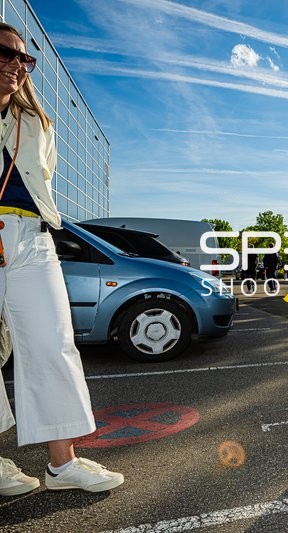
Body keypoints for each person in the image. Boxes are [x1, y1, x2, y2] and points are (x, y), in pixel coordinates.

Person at [0, 22, 124, 496]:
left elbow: (40, 179)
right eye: (6, 54)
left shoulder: (36, 124)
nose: (16, 65)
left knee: (54, 345)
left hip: (30, 238)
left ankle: (62, 464)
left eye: (23, 59)